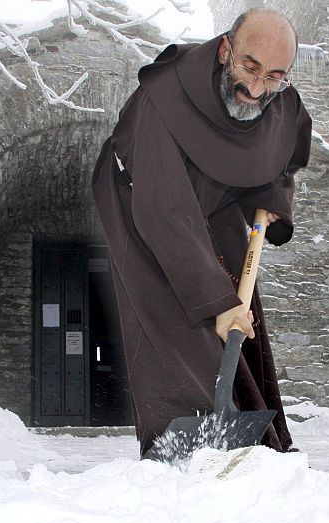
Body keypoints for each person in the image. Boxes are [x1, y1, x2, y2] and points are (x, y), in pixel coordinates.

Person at [91, 8, 312, 458]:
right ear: (225, 49)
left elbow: (285, 150)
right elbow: (163, 209)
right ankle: (185, 453)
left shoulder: (280, 97)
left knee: (240, 308)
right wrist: (215, 302)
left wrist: (273, 197)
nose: (255, 89)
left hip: (219, 195)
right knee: (178, 318)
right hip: (143, 197)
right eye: (249, 67)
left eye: (272, 76)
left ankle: (257, 443)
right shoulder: (165, 97)